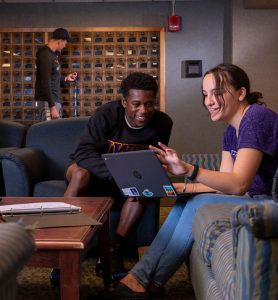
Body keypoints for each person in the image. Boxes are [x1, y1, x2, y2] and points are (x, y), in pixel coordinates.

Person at [95, 63, 278, 299]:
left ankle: (141, 279)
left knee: (195, 204)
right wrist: (180, 187)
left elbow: (237, 184)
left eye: (217, 92)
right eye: (205, 94)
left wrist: (189, 169)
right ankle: (150, 282)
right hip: (254, 197)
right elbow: (223, 184)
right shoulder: (231, 130)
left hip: (270, 203)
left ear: (241, 93)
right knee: (185, 201)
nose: (209, 101)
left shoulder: (255, 118)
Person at [64, 72, 173, 275]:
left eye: (149, 104)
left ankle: (112, 255)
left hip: (128, 180)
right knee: (80, 174)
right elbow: (83, 153)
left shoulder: (163, 123)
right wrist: (117, 175)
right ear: (124, 102)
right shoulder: (106, 114)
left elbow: (154, 161)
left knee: (141, 192)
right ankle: (63, 247)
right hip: (94, 173)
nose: (143, 110)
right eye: (136, 104)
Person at [35, 27, 77, 121]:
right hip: (48, 102)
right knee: (48, 132)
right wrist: (52, 107)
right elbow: (45, 82)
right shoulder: (45, 55)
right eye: (65, 42)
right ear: (60, 41)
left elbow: (52, 77)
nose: (65, 45)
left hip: (54, 100)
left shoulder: (53, 55)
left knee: (55, 131)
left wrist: (65, 78)